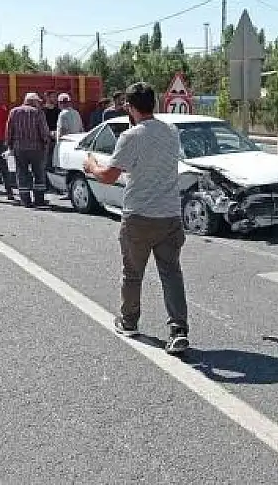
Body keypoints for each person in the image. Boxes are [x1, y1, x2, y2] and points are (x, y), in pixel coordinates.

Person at [84, 81, 189, 355]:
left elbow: (108, 176)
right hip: (169, 214)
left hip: (139, 216)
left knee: (132, 274)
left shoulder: (130, 137)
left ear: (129, 107)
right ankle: (178, 330)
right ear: (153, 103)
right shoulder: (171, 131)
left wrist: (92, 165)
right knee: (171, 273)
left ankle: (129, 321)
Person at [6, 92, 53, 208]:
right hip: (36, 148)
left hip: (19, 148)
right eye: (38, 101)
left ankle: (25, 200)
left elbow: (9, 130)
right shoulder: (38, 113)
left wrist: (9, 146)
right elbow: (44, 131)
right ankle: (39, 200)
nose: (39, 104)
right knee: (38, 173)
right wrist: (47, 142)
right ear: (33, 101)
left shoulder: (14, 112)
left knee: (21, 173)